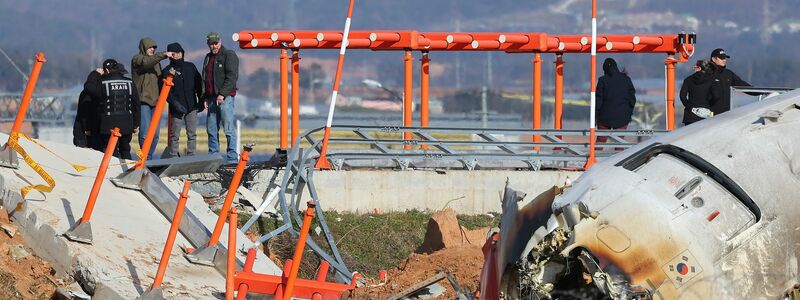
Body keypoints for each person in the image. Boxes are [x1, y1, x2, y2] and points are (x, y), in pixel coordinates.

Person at [83, 59, 140, 159]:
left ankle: (114, 171)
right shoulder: (129, 83)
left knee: (111, 150)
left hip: (108, 124)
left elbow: (88, 88)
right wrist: (136, 124)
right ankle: (129, 171)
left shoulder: (103, 83)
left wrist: (95, 73)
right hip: (127, 124)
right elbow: (136, 105)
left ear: (107, 70)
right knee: (125, 149)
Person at [131, 37, 173, 159]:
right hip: (143, 101)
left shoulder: (157, 64)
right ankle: (144, 158)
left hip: (157, 103)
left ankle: (149, 156)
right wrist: (164, 54)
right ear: (144, 47)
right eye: (150, 47)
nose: (152, 49)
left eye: (153, 48)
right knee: (144, 133)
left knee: (155, 134)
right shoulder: (137, 59)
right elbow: (146, 62)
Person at [202, 32, 239, 163]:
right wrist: (205, 97)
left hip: (226, 98)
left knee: (228, 128)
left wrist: (222, 94)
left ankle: (232, 158)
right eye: (211, 44)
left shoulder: (229, 55)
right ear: (208, 44)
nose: (214, 46)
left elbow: (232, 77)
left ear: (220, 42)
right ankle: (213, 157)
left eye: (216, 43)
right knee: (211, 129)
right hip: (211, 98)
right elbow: (205, 79)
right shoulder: (207, 58)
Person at [161, 42, 203, 158]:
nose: (177, 55)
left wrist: (200, 100)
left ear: (182, 53)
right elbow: (165, 92)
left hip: (192, 106)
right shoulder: (167, 70)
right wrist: (175, 103)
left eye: (179, 53)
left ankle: (191, 156)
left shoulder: (191, 67)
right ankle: (173, 155)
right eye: (174, 54)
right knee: (174, 135)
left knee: (192, 134)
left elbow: (199, 84)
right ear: (170, 55)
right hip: (176, 108)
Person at [595, 58, 636, 144]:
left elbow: (598, 101)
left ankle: (596, 157)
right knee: (620, 142)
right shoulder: (626, 79)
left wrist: (596, 117)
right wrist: (628, 113)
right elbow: (632, 99)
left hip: (604, 117)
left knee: (601, 141)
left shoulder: (602, 80)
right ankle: (620, 157)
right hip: (622, 117)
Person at [708, 48, 751, 115]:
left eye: (725, 58)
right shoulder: (707, 74)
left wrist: (761, 92)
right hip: (711, 115)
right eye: (721, 58)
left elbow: (743, 85)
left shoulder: (728, 74)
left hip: (726, 114)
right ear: (713, 59)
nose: (724, 60)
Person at [679, 60, 715, 125]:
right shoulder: (711, 80)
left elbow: (682, 96)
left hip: (690, 116)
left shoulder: (688, 79)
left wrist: (689, 106)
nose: (694, 69)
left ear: (699, 68)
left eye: (695, 67)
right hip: (706, 114)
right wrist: (708, 104)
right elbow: (716, 95)